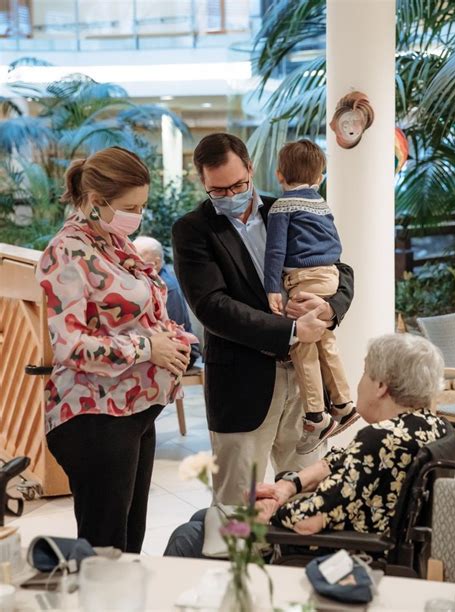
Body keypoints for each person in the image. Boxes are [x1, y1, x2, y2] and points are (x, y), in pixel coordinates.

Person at [172, 133, 354, 505]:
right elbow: (211, 306)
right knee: (238, 501)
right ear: (203, 182)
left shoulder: (284, 208)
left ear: (251, 169)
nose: (230, 195)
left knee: (305, 493)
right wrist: (290, 330)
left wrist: (330, 307)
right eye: (217, 190)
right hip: (244, 381)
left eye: (238, 184)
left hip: (305, 385)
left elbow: (338, 267)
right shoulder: (193, 230)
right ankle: (236, 563)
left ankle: (295, 561)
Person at [163, 333, 448, 558]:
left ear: (381, 387)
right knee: (204, 519)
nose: (356, 382)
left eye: (364, 373)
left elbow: (306, 522)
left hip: (331, 551)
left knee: (187, 536)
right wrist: (289, 486)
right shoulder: (430, 426)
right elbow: (340, 461)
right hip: (367, 535)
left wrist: (273, 507)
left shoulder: (378, 440)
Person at [36, 147, 192, 553]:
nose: (136, 216)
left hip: (133, 410)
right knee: (106, 550)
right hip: (94, 416)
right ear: (95, 201)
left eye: (140, 206)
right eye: (128, 206)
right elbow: (71, 345)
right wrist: (148, 347)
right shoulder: (66, 251)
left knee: (129, 546)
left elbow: (134, 310)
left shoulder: (112, 242)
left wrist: (170, 337)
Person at [265, 139, 358, 455]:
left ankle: (316, 415)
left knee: (302, 347)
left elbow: (275, 251)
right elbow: (336, 246)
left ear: (280, 175)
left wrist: (271, 288)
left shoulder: (282, 207)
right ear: (319, 178)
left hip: (304, 280)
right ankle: (344, 404)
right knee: (325, 342)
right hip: (329, 276)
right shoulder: (322, 204)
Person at [133, 236, 202, 369]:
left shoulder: (167, 286)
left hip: (183, 350)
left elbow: (174, 330)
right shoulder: (149, 280)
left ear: (156, 262)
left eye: (139, 256)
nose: (133, 259)